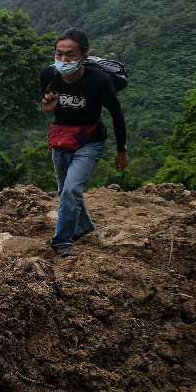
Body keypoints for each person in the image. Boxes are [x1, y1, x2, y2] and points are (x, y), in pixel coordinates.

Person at [40, 29, 128, 257]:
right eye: (59, 54)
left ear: (83, 55)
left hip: (90, 141)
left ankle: (62, 241)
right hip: (61, 140)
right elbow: (46, 105)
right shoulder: (48, 75)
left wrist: (121, 150)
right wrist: (47, 107)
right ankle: (85, 226)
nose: (63, 60)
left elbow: (117, 114)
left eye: (70, 55)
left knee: (71, 189)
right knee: (65, 190)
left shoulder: (99, 81)